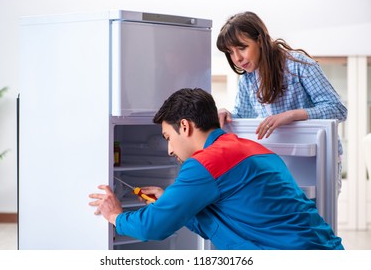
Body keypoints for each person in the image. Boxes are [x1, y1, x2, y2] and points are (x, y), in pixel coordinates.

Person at [89, 88, 344, 250]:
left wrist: (115, 216)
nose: (169, 150)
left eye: (168, 137)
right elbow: (223, 222)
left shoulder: (206, 163)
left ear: (185, 127)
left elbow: (152, 227)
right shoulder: (251, 148)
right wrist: (169, 201)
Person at [216, 11, 347, 193]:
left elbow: (338, 109)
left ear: (260, 40)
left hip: (317, 159)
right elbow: (242, 118)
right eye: (230, 52)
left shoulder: (297, 64)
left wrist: (292, 115)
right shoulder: (247, 79)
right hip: (278, 162)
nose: (237, 58)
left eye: (242, 47)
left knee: (316, 216)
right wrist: (227, 115)